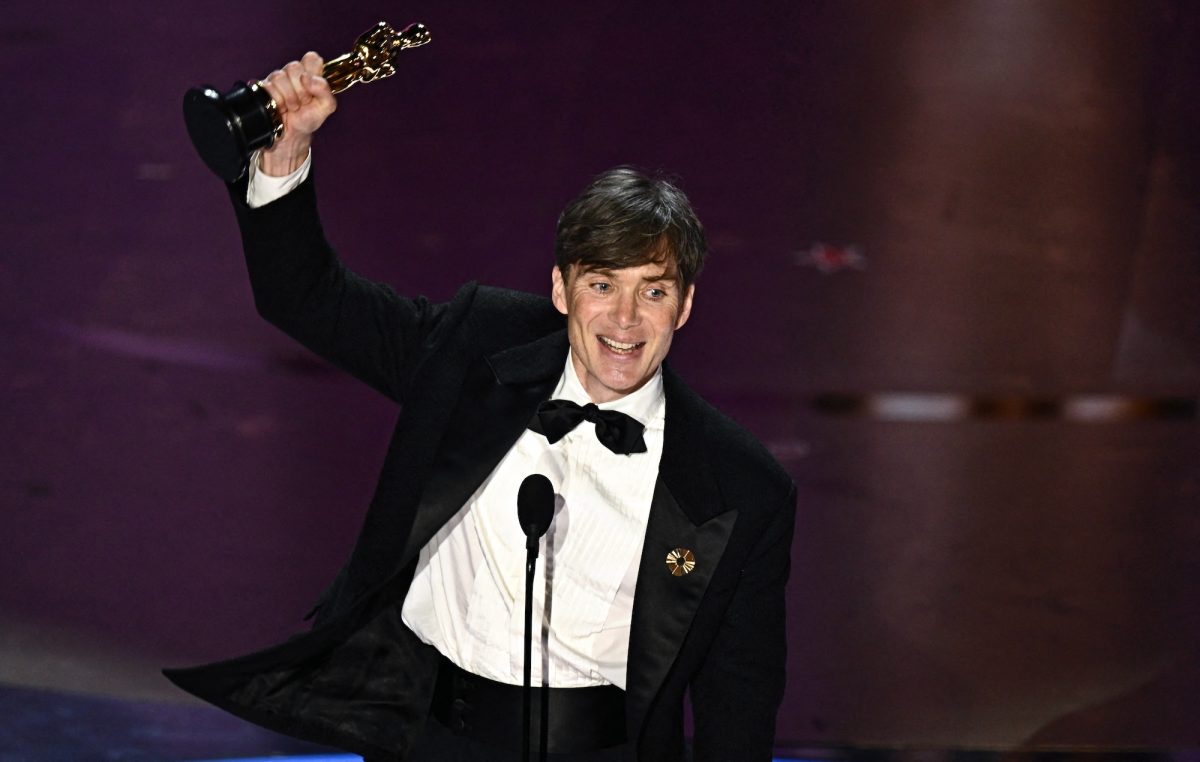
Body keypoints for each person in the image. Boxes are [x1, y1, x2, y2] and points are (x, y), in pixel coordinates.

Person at [165, 52, 796, 762]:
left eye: (653, 291)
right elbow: (308, 299)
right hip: (426, 741)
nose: (625, 319)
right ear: (561, 291)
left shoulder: (740, 485)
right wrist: (285, 154)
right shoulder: (475, 350)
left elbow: (736, 705)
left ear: (684, 306)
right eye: (601, 285)